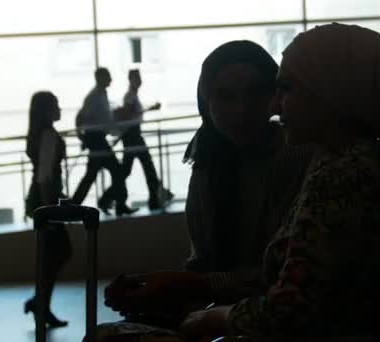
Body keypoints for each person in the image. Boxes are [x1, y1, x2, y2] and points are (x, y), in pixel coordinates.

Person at [179, 23, 380, 341]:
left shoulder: (342, 177)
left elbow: (290, 308)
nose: (273, 106)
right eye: (224, 96)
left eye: (285, 89)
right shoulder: (342, 163)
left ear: (328, 92)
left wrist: (211, 317)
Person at [96, 41, 316, 341]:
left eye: (255, 93)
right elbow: (204, 264)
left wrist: (187, 286)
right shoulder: (208, 158)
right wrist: (166, 293)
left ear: (274, 97)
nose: (241, 109)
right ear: (206, 102)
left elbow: (282, 276)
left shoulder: (292, 156)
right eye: (225, 97)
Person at [23, 91, 72, 328]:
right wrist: (48, 210)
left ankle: (41, 305)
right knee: (59, 253)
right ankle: (39, 303)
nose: (60, 108)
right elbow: (44, 175)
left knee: (52, 256)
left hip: (42, 199)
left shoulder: (39, 134)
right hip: (45, 200)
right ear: (46, 110)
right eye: (56, 105)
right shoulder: (48, 135)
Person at [73, 67, 137, 216]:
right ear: (99, 78)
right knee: (116, 172)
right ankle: (117, 204)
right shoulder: (94, 96)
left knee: (93, 175)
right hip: (96, 140)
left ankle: (75, 205)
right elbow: (81, 116)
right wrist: (81, 136)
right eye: (107, 76)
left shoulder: (100, 95)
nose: (110, 79)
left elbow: (102, 119)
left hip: (97, 140)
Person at [119, 69, 173, 210]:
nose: (140, 81)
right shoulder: (130, 96)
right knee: (145, 167)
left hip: (133, 135)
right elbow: (129, 114)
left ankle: (156, 197)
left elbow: (131, 113)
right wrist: (150, 108)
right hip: (133, 135)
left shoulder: (132, 96)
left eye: (139, 78)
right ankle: (156, 198)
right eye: (137, 78)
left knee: (133, 169)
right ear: (131, 80)